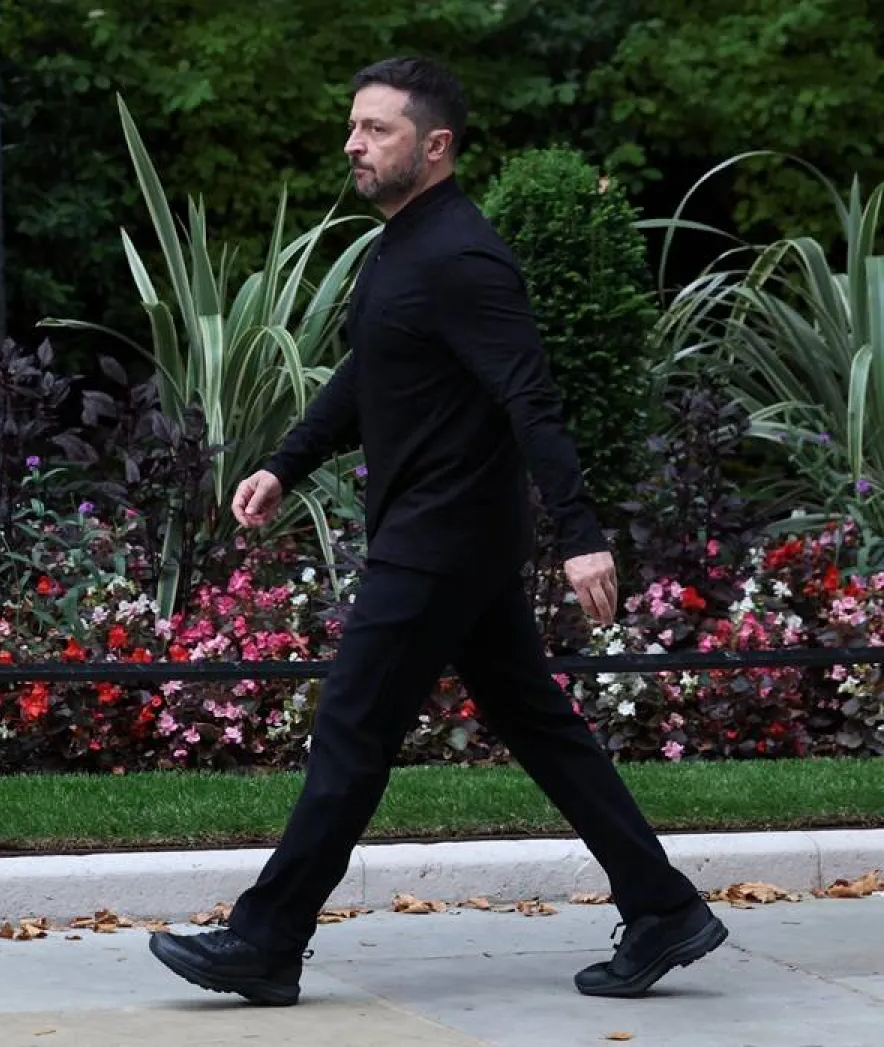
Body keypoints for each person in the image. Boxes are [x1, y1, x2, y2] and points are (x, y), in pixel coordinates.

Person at [147, 55, 727, 1007]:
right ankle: (663, 907)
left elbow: (529, 395)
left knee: (351, 730)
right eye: (353, 126)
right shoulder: (405, 247)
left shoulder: (463, 255)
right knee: (539, 726)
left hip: (440, 540)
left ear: (437, 145)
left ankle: (264, 939)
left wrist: (581, 532)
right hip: (455, 541)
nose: (354, 144)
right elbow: (367, 374)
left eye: (376, 129)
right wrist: (287, 463)